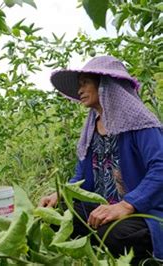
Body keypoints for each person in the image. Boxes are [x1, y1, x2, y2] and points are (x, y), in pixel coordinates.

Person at [40, 56, 162, 261]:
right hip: (105, 207)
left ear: (105, 85)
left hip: (143, 210)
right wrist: (61, 195)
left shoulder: (141, 125)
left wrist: (127, 205)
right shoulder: (92, 129)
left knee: (115, 234)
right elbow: (81, 178)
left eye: (85, 83)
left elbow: (160, 168)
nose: (79, 90)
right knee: (56, 214)